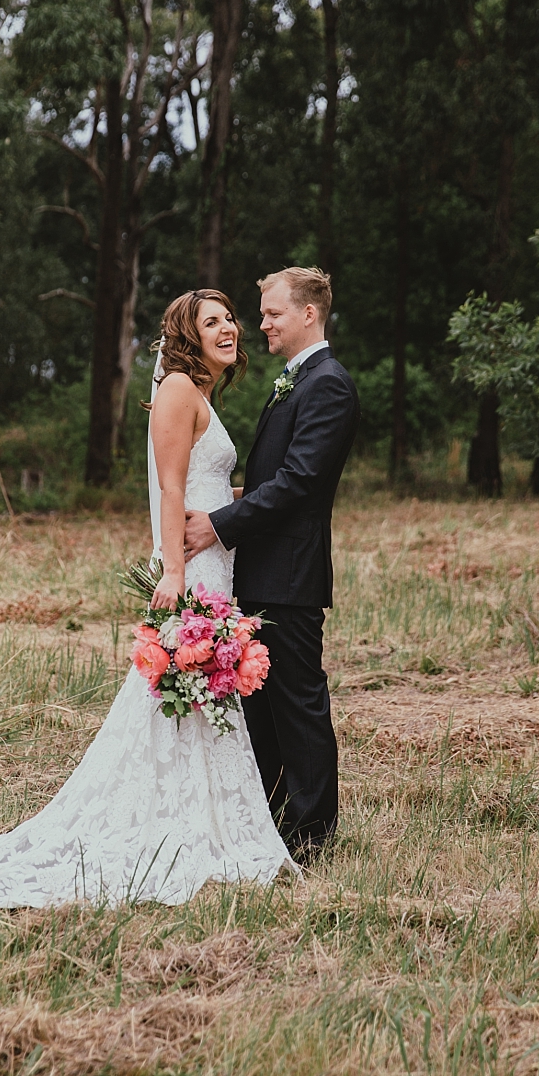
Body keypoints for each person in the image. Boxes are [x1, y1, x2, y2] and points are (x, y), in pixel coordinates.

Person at [0, 289, 296, 913]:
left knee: (198, 694)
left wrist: (251, 503)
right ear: (188, 335)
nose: (229, 328)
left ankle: (201, 820)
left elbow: (203, 486)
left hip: (216, 558)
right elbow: (171, 490)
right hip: (194, 566)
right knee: (181, 689)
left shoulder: (200, 394)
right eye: (212, 321)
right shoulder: (179, 389)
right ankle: (166, 826)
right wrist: (173, 574)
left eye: (230, 318)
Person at [185, 267, 360, 858]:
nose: (260, 323)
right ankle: (275, 825)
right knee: (264, 709)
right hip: (265, 571)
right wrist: (228, 498)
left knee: (298, 704)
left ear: (309, 314)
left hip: (290, 575)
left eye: (272, 313)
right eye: (261, 313)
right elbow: (275, 478)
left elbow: (300, 482)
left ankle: (311, 837)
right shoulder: (297, 379)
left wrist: (218, 524)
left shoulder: (328, 384)